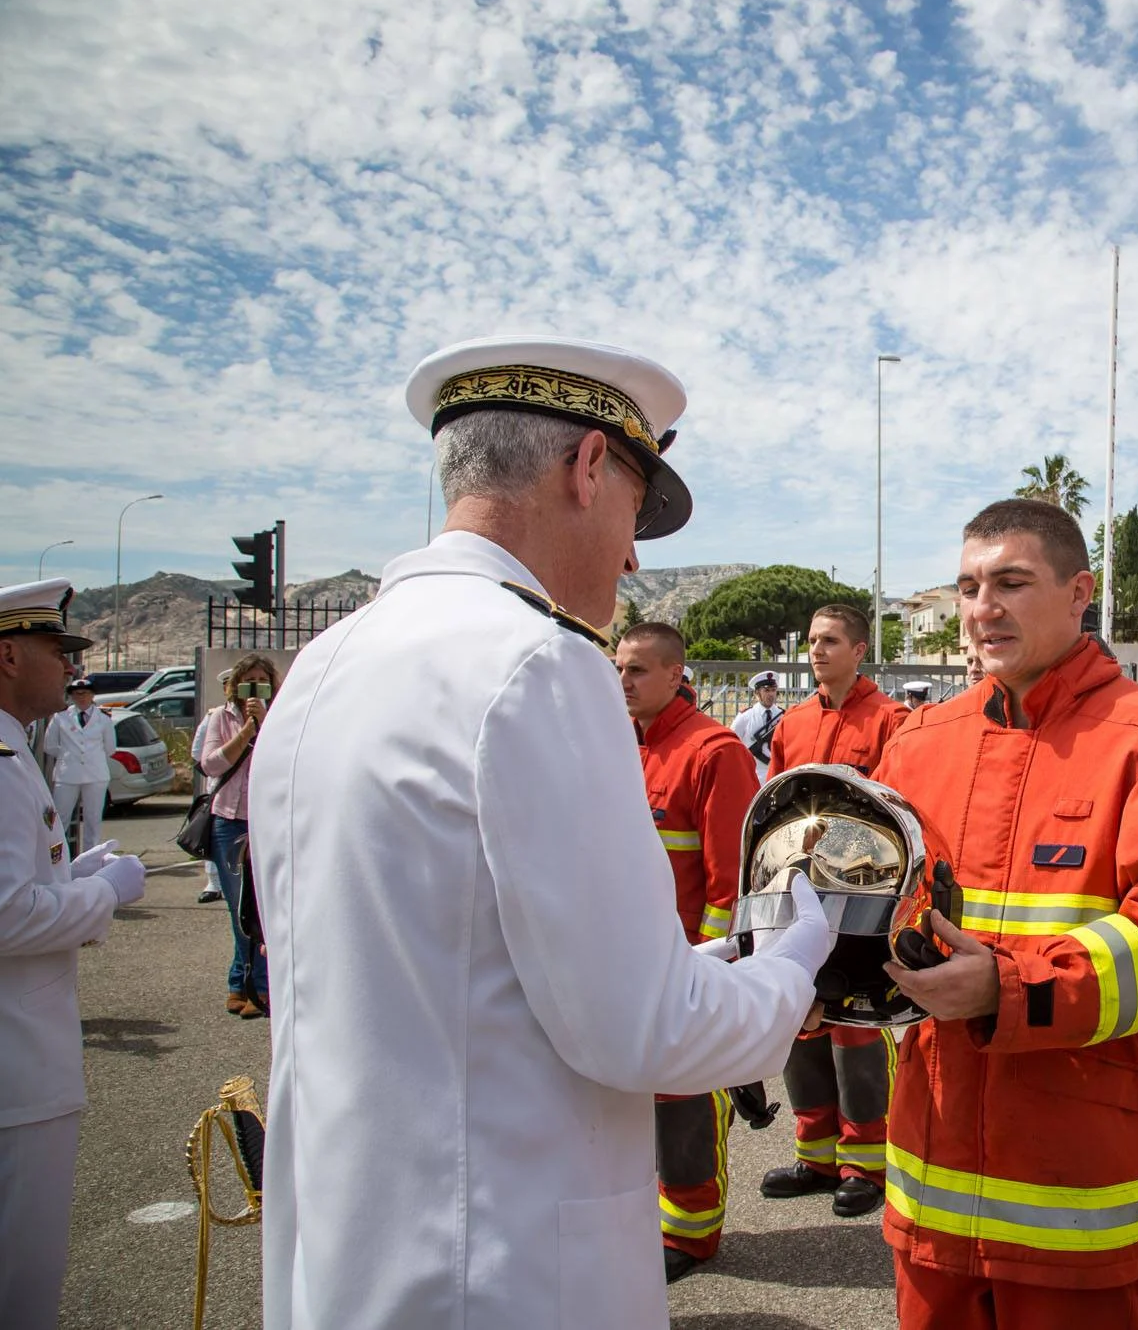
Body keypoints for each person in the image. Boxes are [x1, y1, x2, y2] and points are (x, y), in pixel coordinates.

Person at [249, 336, 832, 1328]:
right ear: (590, 465)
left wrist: (699, 956)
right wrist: (796, 953)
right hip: (499, 1265)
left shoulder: (327, 660)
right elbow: (651, 1027)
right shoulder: (535, 663)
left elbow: (465, 961)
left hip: (354, 1253)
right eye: (638, 515)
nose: (636, 554)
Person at [872, 498, 1138, 1329]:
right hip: (933, 1191)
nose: (980, 608)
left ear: (1082, 592)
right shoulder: (917, 739)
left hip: (1081, 1200)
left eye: (1010, 581)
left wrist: (1007, 989)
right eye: (967, 586)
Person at [0, 581, 148, 1330]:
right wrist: (106, 896)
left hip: (21, 1059)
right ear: (6, 653)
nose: (69, 666)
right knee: (23, 1281)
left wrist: (71, 877)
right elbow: (5, 913)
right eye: (58, 651)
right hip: (17, 1071)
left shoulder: (13, 750)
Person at [618, 621, 762, 1282]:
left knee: (686, 1100)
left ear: (677, 675)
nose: (623, 681)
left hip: (688, 965)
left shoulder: (713, 750)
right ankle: (652, 1215)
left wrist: (708, 967)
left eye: (638, 670)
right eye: (619, 668)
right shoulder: (621, 746)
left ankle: (691, 1232)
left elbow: (729, 879)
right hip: (632, 961)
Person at [760, 604, 907, 1218]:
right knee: (801, 1017)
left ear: (859, 648)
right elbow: (770, 807)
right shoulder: (791, 723)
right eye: (812, 640)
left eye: (829, 641)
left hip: (866, 896)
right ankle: (815, 1155)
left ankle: (865, 1162)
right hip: (801, 891)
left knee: (855, 1025)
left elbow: (902, 813)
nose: (816, 650)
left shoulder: (892, 720)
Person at [200, 654, 281, 1018]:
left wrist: (266, 725)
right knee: (239, 908)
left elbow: (285, 758)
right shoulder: (221, 718)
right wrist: (246, 731)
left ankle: (256, 986)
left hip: (264, 820)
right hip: (229, 820)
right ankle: (242, 982)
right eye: (248, 680)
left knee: (261, 908)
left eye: (262, 680)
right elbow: (210, 763)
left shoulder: (281, 715)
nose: (254, 687)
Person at [40, 679, 117, 854]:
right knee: (60, 819)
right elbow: (49, 746)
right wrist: (69, 756)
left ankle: (91, 860)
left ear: (92, 695)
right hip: (67, 774)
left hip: (96, 774)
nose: (81, 698)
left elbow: (110, 748)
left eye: (85, 693)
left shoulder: (103, 719)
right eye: (77, 694)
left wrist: (91, 758)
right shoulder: (61, 718)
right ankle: (56, 859)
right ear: (71, 696)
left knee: (93, 820)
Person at [188, 689, 225, 902]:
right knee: (215, 834)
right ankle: (213, 881)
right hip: (221, 784)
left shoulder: (264, 713)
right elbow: (197, 752)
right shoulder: (215, 716)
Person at [731, 669, 785, 782]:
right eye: (766, 690)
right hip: (753, 776)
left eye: (773, 690)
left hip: (778, 776)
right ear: (757, 693)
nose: (771, 694)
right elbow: (732, 745)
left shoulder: (784, 716)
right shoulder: (745, 717)